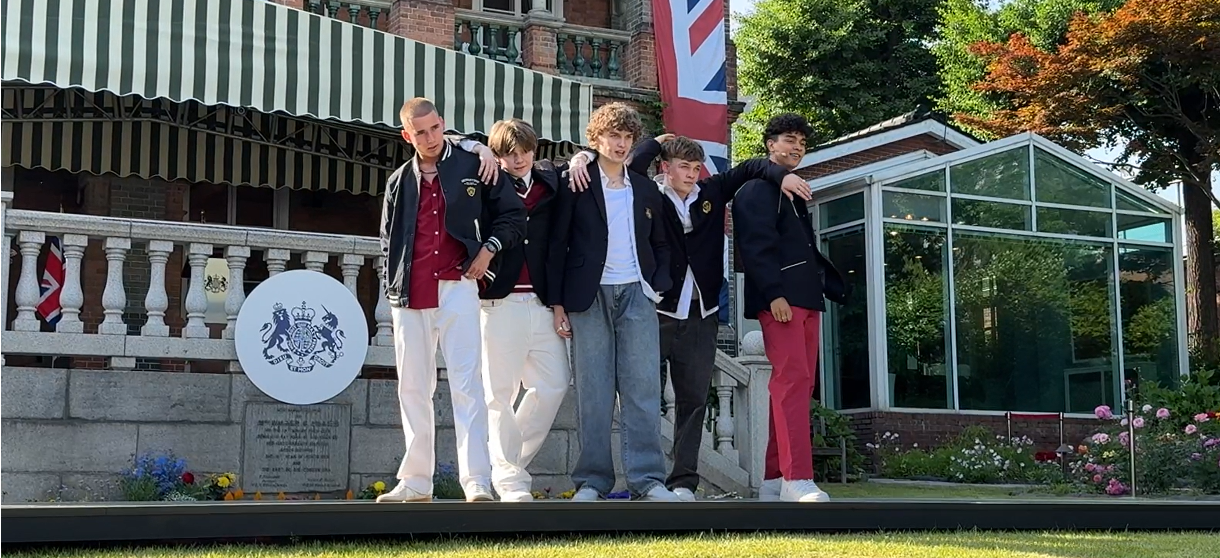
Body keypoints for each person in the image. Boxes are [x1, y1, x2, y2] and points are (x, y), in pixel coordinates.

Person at [569, 134, 811, 501]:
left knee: (694, 399)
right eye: (684, 167)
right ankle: (639, 479)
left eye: (696, 168)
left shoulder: (712, 192)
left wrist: (783, 175)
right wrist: (654, 142)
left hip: (703, 312)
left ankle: (683, 482)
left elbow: (750, 167)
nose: (692, 174)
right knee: (641, 395)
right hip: (658, 310)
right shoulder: (647, 192)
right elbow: (622, 162)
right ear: (666, 167)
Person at [376, 98, 526, 503]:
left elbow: (513, 216)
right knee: (412, 387)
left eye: (435, 128)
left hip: (458, 286)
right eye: (420, 132)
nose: (430, 138)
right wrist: (392, 288)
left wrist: (488, 250)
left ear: (443, 124)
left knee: (467, 384)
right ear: (406, 135)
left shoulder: (474, 164)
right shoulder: (398, 181)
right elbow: (388, 241)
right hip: (409, 294)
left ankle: (476, 480)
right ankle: (415, 481)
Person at [547, 103, 679, 502]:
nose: (620, 144)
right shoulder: (577, 181)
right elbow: (557, 243)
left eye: (626, 137)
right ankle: (592, 481)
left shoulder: (644, 187)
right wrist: (557, 304)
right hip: (588, 297)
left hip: (637, 294)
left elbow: (662, 243)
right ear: (596, 139)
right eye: (613, 136)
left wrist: (657, 284)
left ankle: (648, 480)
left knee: (643, 390)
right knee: (593, 392)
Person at [731, 113, 847, 503]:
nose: (797, 147)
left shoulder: (792, 192)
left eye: (802, 142)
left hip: (807, 298)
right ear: (770, 144)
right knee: (791, 381)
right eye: (789, 140)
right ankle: (797, 477)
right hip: (782, 300)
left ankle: (774, 479)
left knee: (799, 385)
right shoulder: (754, 191)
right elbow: (754, 248)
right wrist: (774, 294)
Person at [469, 118, 572, 503]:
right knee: (499, 393)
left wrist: (580, 159)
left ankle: (508, 465)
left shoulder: (549, 181)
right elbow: (447, 141)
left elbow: (586, 161)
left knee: (555, 384)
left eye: (525, 151)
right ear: (497, 155)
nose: (519, 159)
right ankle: (510, 479)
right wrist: (476, 147)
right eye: (510, 154)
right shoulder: (487, 183)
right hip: (499, 302)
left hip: (542, 302)